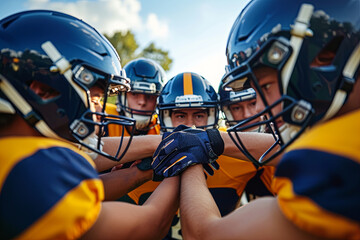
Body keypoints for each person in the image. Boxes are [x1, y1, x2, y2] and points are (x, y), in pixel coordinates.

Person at [153, 0, 360, 239]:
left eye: (266, 85)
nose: (260, 109)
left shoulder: (336, 157)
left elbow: (205, 235)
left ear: (325, 59)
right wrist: (214, 141)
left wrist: (191, 162)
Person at [0, 10, 179, 239]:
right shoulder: (32, 171)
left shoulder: (17, 151)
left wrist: (140, 172)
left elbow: (79, 184)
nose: (99, 111)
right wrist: (181, 163)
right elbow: (150, 225)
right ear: (43, 91)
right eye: (95, 99)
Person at [129, 72, 270, 239]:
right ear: (164, 118)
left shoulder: (239, 152)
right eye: (180, 115)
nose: (191, 125)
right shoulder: (139, 157)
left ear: (213, 116)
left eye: (199, 115)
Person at [218, 84, 275, 200]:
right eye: (237, 108)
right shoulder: (220, 145)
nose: (247, 114)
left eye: (253, 103)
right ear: (227, 112)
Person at [106, 57, 166, 137]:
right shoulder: (104, 115)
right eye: (134, 94)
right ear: (123, 95)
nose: (142, 102)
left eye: (150, 96)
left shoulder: (161, 127)